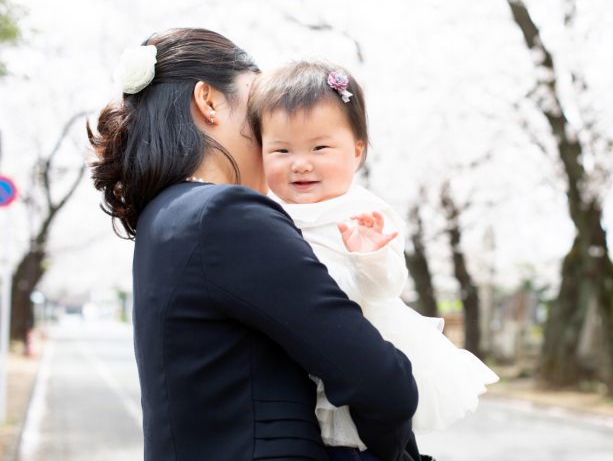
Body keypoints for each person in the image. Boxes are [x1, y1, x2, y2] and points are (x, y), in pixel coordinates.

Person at [88, 28, 419, 461]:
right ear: (208, 101)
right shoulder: (225, 214)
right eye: (258, 106)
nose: (270, 128)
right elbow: (379, 381)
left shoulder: (165, 215)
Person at [247, 61, 500, 457]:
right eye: (281, 150)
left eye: (320, 147)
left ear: (357, 152)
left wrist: (371, 255)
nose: (300, 163)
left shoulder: (364, 212)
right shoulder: (263, 209)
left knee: (355, 442)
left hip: (357, 355)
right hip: (294, 361)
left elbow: (387, 288)